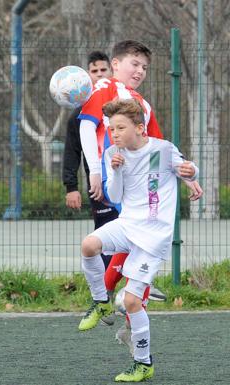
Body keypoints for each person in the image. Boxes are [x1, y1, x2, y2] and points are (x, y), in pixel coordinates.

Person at [76, 40, 203, 332]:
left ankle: (128, 300)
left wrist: (189, 176)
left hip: (141, 181)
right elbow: (86, 126)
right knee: (128, 237)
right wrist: (95, 171)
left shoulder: (142, 104)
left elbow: (161, 150)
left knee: (134, 237)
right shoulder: (106, 87)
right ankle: (117, 298)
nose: (140, 70)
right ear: (115, 64)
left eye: (145, 67)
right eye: (134, 64)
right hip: (116, 175)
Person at [81, 99, 199, 382]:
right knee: (89, 245)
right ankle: (101, 301)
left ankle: (143, 363)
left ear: (140, 127)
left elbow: (189, 169)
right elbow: (117, 197)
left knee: (133, 302)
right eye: (111, 128)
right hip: (127, 224)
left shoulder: (162, 149)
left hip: (153, 236)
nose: (115, 133)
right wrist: (117, 169)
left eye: (120, 127)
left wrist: (192, 172)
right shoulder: (113, 153)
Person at [62, 51, 115, 268]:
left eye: (104, 70)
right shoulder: (79, 115)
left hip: (130, 182)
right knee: (104, 232)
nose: (100, 74)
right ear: (88, 75)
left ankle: (135, 284)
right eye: (95, 71)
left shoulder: (124, 104)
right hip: (99, 185)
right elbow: (72, 152)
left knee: (132, 233)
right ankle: (105, 287)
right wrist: (71, 186)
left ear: (111, 72)